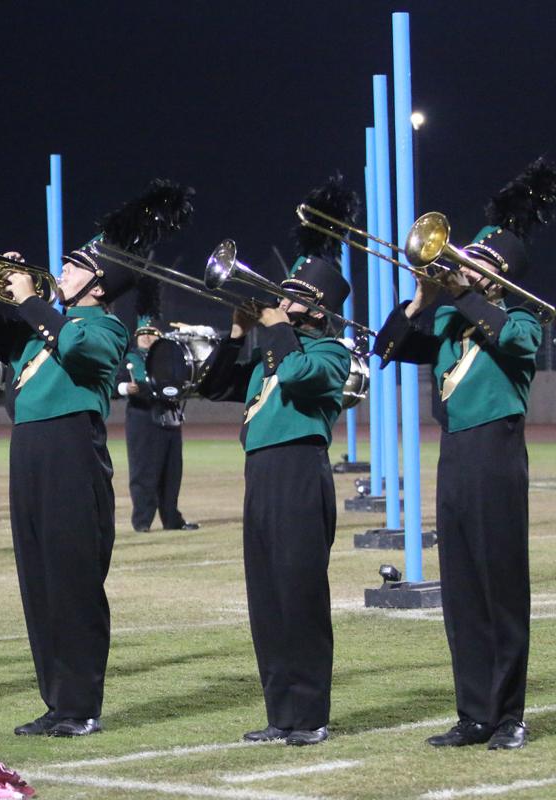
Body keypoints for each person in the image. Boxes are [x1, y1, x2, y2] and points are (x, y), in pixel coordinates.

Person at [0, 180, 192, 737]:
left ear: (98, 283)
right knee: (38, 582)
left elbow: (79, 349)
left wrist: (32, 301)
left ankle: (81, 705)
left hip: (72, 452)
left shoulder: (106, 328)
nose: (60, 271)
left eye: (72, 266)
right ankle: (57, 701)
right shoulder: (43, 327)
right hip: (28, 452)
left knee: (73, 582)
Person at [374, 159, 556, 751]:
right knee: (460, 589)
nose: (460, 266)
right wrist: (420, 298)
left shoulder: (524, 317)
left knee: (500, 585)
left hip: (497, 451)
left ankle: (508, 715)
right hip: (455, 452)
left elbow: (514, 341)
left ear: (499, 276)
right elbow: (387, 347)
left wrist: (464, 296)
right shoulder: (451, 318)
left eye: (475, 262)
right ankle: (474, 712)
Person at [196, 176, 357, 746]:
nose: (278, 303)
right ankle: (280, 713)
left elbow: (301, 376)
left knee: (299, 596)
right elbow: (213, 387)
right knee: (266, 599)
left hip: (299, 472)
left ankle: (309, 715)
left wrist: (280, 330)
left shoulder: (331, 352)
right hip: (260, 473)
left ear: (316, 308)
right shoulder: (272, 351)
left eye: (290, 298)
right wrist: (235, 334)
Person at [117, 288, 196, 532]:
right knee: (144, 471)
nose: (147, 338)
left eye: (152, 334)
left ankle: (172, 519)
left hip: (169, 416)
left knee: (172, 471)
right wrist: (126, 387)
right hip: (142, 418)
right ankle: (142, 521)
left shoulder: (170, 356)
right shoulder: (129, 358)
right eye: (143, 334)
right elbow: (114, 383)